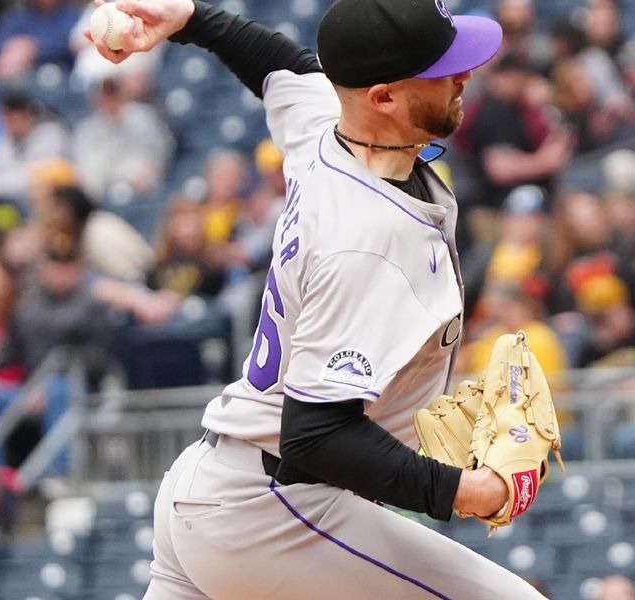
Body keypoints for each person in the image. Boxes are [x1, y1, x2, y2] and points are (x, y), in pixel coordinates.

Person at [90, 0, 547, 598]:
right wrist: (467, 490)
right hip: (270, 510)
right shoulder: (365, 240)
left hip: (215, 490)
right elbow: (316, 433)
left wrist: (194, 19)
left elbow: (284, 65)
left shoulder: (332, 129)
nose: (464, 75)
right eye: (442, 68)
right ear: (382, 97)